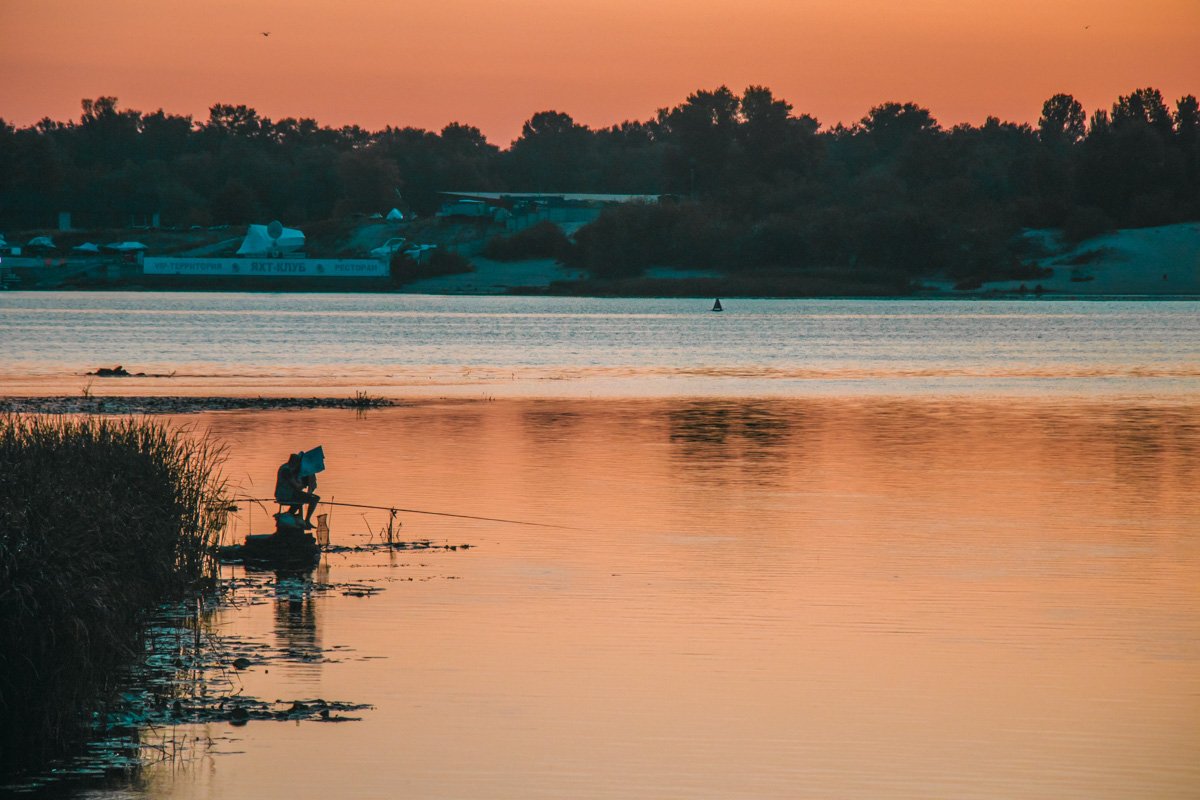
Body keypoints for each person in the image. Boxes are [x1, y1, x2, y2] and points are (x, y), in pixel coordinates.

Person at [275, 452, 320, 528]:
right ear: (294, 462)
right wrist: (304, 484)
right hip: (285, 494)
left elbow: (296, 485)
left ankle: (289, 516)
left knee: (300, 501)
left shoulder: (286, 468)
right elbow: (296, 486)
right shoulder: (286, 470)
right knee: (315, 499)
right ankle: (307, 520)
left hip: (288, 493)